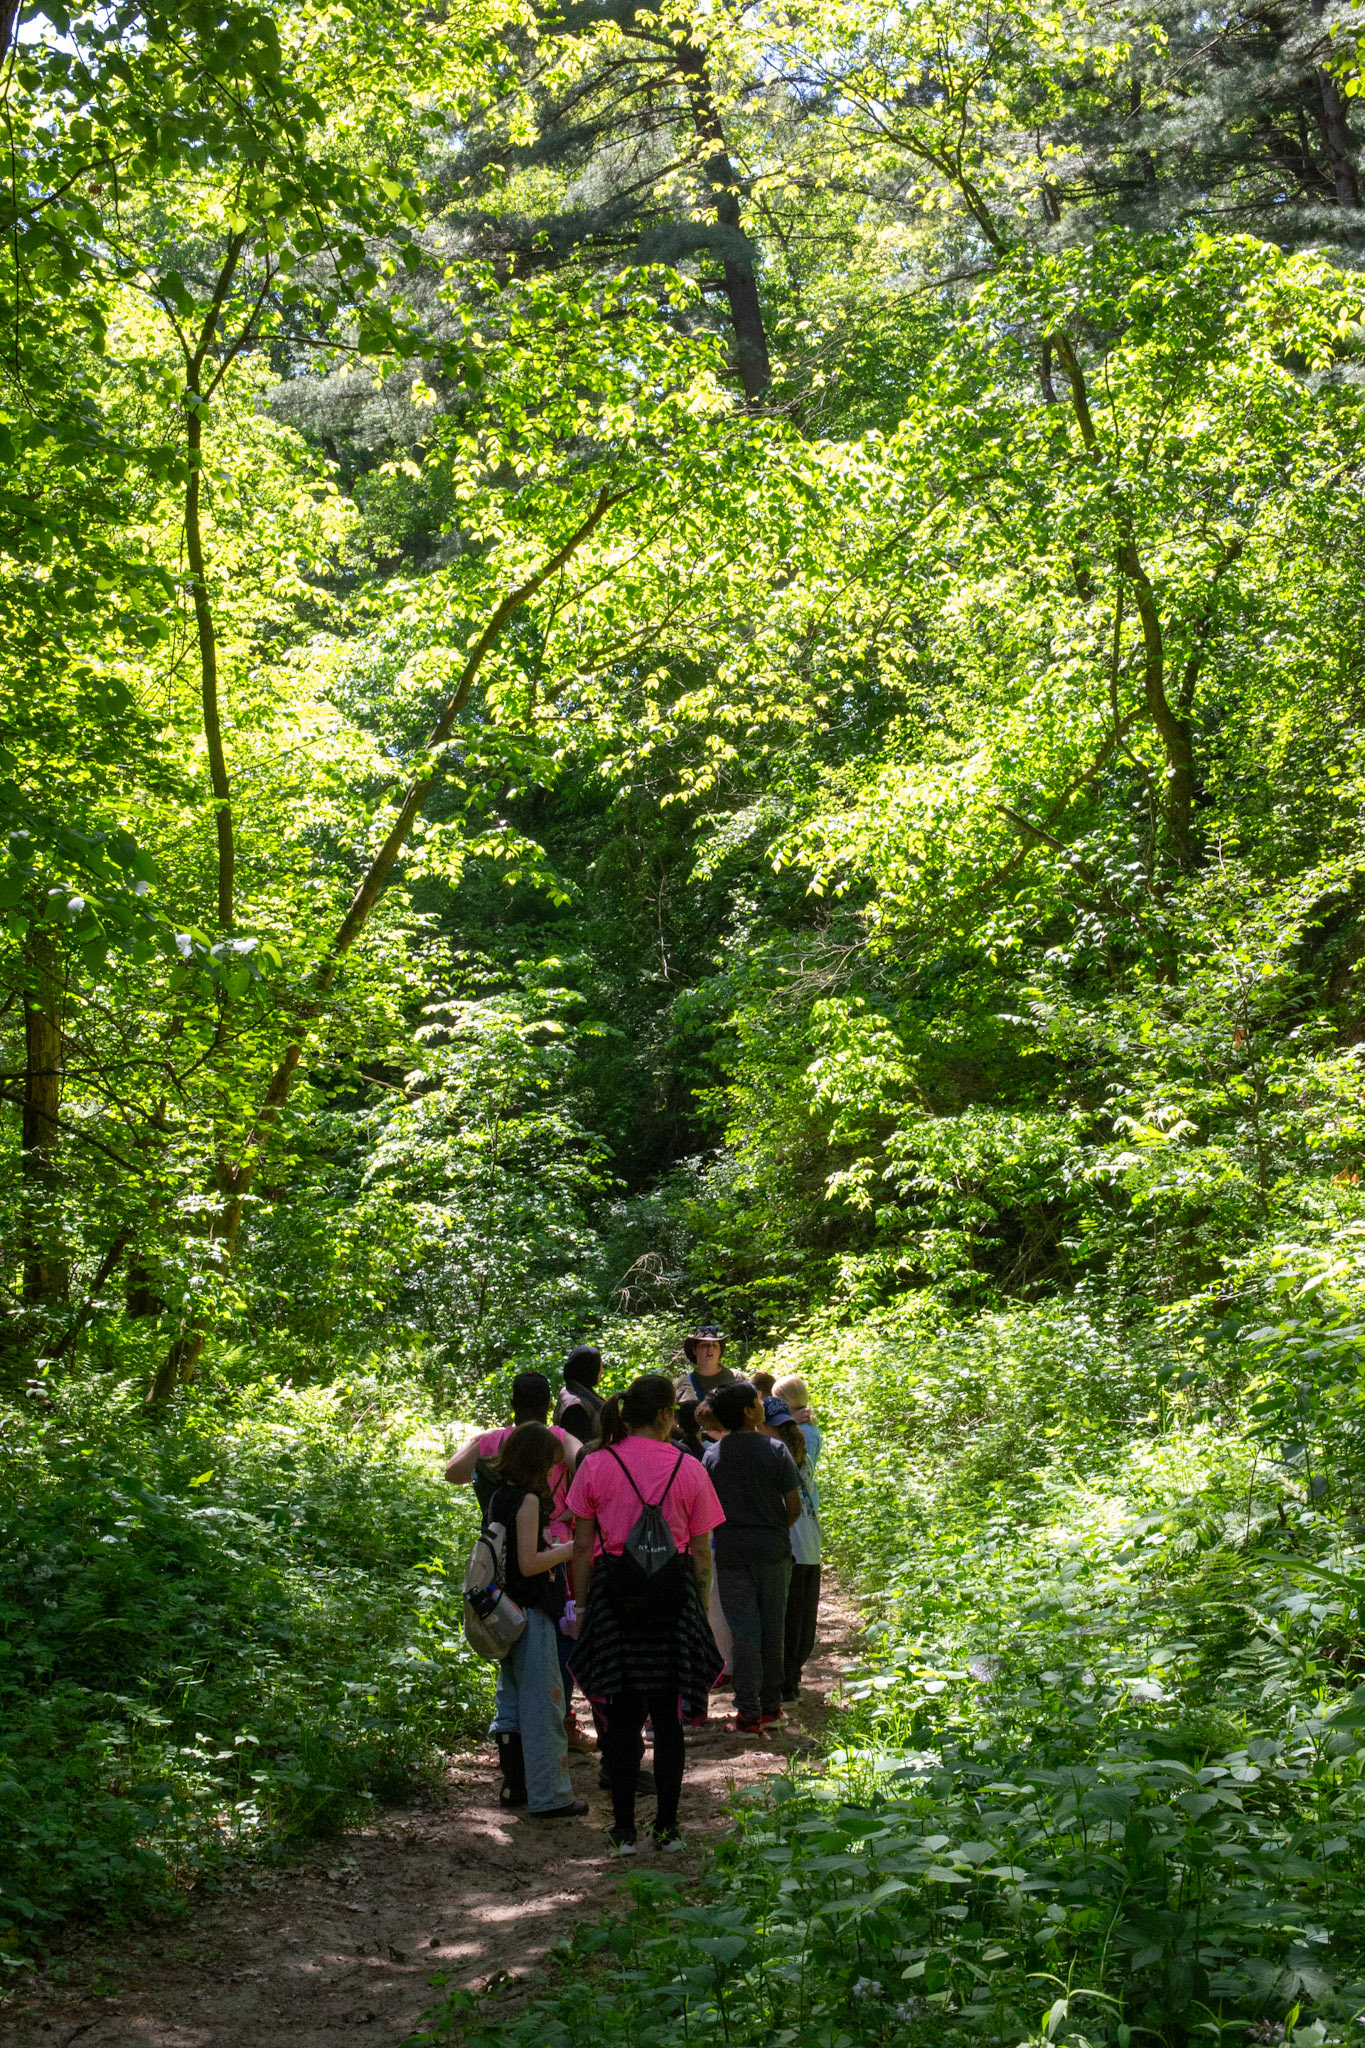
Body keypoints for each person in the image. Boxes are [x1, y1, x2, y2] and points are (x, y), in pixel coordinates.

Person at [566, 1374, 725, 1854]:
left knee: (621, 1716)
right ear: (663, 1415)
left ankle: (623, 1830)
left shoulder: (595, 1464)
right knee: (667, 1719)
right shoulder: (689, 1467)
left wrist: (582, 1604)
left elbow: (581, 1546)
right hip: (672, 1600)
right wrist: (699, 1608)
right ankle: (668, 1827)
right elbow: (702, 1551)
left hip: (614, 1598)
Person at [444, 1372, 594, 1752]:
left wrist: (481, 1443)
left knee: (512, 1635)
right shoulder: (558, 1438)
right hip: (553, 1549)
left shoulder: (493, 1441)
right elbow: (588, 1463)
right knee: (560, 1637)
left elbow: (453, 1473)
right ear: (549, 1406)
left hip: (501, 1556)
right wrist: (572, 1508)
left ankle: (517, 1728)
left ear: (512, 1404)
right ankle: (559, 1720)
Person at [485, 1425, 589, 1821]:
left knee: (511, 1701)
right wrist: (567, 1551)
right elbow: (528, 1563)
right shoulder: (528, 1500)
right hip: (531, 1612)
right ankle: (550, 1795)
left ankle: (515, 1786)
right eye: (549, 1464)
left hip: (505, 1611)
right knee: (545, 1706)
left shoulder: (499, 1496)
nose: (551, 1472)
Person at [702, 1381, 801, 1736]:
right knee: (773, 1628)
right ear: (747, 1412)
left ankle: (747, 1712)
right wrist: (772, 1527)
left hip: (731, 1552)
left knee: (744, 1632)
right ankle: (771, 1705)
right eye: (758, 1401)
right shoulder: (775, 1449)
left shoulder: (712, 1456)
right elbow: (794, 1506)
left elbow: (706, 1509)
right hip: (772, 1550)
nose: (762, 1404)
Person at [774, 1414, 822, 1700]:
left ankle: (787, 1684)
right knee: (803, 1621)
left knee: (788, 1621)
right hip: (810, 1546)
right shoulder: (805, 1459)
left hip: (791, 1547)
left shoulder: (779, 1461)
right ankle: (792, 1681)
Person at [674, 1323, 739, 1406]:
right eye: (704, 1345)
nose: (710, 1348)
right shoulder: (680, 1384)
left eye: (714, 1345)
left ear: (720, 1351)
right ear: (694, 1350)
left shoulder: (737, 1378)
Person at [556, 1345, 606, 1445]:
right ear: (590, 1369)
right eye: (599, 1366)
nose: (602, 1371)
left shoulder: (575, 1392)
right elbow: (579, 1448)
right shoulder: (576, 1407)